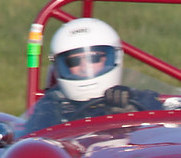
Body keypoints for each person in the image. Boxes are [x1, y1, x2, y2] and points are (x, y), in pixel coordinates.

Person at [25, 17, 164, 132]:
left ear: (114, 57)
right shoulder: (52, 106)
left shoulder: (137, 99)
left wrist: (134, 116)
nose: (85, 67)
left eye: (94, 58)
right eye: (73, 61)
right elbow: (35, 141)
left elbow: (164, 131)